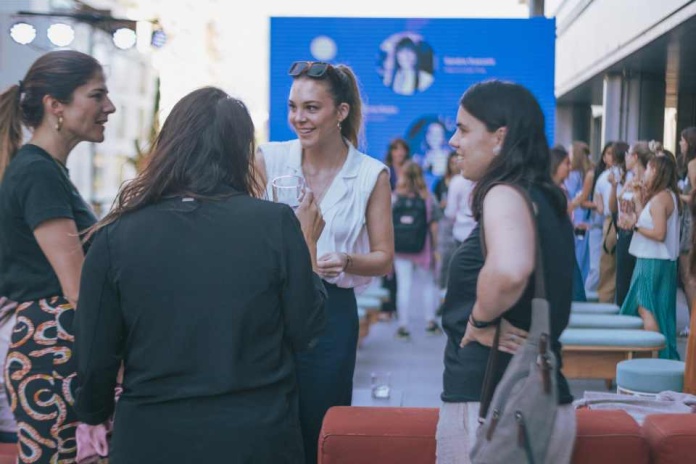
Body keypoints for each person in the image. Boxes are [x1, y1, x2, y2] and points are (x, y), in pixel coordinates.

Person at [74, 87, 327, 463]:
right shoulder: (274, 224)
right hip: (255, 435)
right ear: (240, 152)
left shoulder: (116, 234)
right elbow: (306, 330)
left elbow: (94, 356)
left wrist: (93, 416)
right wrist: (307, 247)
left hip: (151, 435)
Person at [256, 60, 394, 464]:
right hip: (269, 309)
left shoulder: (370, 174)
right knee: (267, 416)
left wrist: (348, 260)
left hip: (330, 312)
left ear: (342, 112)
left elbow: (384, 258)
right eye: (293, 106)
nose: (299, 118)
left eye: (312, 108)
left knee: (321, 421)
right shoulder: (268, 158)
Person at [437, 80, 575, 464]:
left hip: (491, 404)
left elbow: (511, 269)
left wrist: (479, 320)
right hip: (541, 399)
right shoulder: (546, 199)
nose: (453, 141)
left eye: (463, 129)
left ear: (500, 137)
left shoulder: (504, 193)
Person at [0, 50, 115, 463]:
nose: (109, 107)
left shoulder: (42, 170)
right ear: (55, 106)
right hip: (52, 351)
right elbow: (78, 287)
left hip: (55, 348)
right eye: (97, 95)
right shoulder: (38, 173)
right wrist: (114, 362)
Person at [619, 155, 680, 360]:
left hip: (650, 260)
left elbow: (659, 233)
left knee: (645, 308)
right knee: (661, 310)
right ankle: (659, 357)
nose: (645, 172)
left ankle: (654, 357)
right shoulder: (669, 195)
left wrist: (634, 224)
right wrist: (637, 202)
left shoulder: (659, 199)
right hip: (664, 261)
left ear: (657, 172)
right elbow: (652, 224)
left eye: (649, 169)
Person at [392, 161, 442, 339]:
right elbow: (434, 226)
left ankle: (403, 326)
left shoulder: (395, 197)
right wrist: (435, 248)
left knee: (403, 286)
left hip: (400, 248)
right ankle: (430, 322)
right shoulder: (428, 198)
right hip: (423, 247)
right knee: (428, 284)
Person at [610, 142, 652, 306]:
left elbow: (647, 213)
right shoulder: (629, 180)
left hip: (637, 234)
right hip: (624, 233)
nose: (625, 157)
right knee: (622, 283)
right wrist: (615, 186)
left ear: (635, 157)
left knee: (633, 284)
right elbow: (613, 208)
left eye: (628, 154)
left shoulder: (645, 183)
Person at [551, 145, 586, 302]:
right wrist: (574, 204)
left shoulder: (560, 189)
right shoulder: (550, 191)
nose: (570, 168)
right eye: (566, 163)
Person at [593, 142, 626, 303]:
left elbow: (600, 208)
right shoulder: (628, 175)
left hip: (611, 221)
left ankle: (604, 302)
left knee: (607, 266)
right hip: (622, 220)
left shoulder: (604, 176)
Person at [678, 127, 696, 332]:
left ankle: (693, 323)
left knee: (688, 274)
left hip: (690, 221)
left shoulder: (692, 164)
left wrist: (675, 193)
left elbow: (694, 197)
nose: (681, 144)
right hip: (689, 221)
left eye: (683, 141)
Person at [434, 152, 460, 291]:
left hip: (460, 223)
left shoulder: (467, 181)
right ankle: (441, 292)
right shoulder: (440, 183)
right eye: (452, 162)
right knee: (444, 259)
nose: (455, 166)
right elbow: (434, 203)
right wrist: (442, 205)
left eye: (457, 162)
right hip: (445, 223)